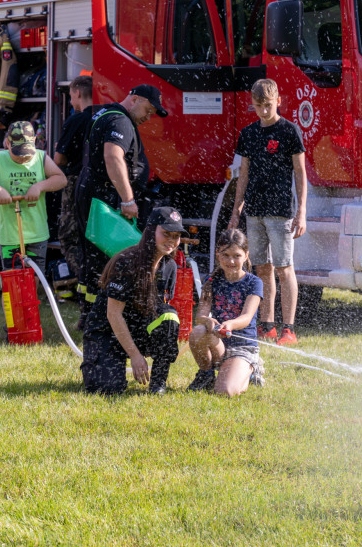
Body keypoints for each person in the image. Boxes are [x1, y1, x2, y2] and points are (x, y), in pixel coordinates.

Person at [73, 84, 167, 323]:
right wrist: (128, 199)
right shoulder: (120, 121)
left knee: (93, 255)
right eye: (148, 108)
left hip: (93, 191)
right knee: (107, 258)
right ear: (134, 99)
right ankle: (100, 317)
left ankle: (90, 314)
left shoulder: (104, 113)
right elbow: (113, 156)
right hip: (105, 197)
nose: (149, 115)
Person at [228, 78, 306, 348]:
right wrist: (236, 211)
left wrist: (302, 212)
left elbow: (300, 174)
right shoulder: (249, 133)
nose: (263, 111)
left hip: (281, 212)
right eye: (259, 106)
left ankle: (289, 328)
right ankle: (268, 326)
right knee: (262, 269)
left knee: (284, 269)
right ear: (253, 104)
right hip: (255, 211)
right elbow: (243, 175)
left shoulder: (289, 131)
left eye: (268, 105)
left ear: (279, 101)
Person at [82, 207, 184, 395]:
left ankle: (158, 385)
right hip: (107, 331)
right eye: (166, 234)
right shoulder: (126, 262)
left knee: (169, 317)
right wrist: (136, 356)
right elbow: (113, 314)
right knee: (107, 389)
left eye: (176, 236)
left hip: (138, 328)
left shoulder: (169, 266)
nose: (171, 241)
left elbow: (159, 310)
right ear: (151, 231)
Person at [0, 121, 66, 275]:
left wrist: (39, 187)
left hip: (37, 233)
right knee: (13, 283)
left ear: (34, 141)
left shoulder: (41, 158)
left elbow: (61, 179)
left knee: (33, 280)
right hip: (10, 235)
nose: (22, 158)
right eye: (18, 152)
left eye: (26, 152)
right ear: (7, 143)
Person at [187, 228, 263, 396]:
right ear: (217, 254)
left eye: (237, 255)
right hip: (219, 346)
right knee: (198, 332)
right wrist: (208, 322)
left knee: (225, 391)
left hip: (242, 348)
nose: (231, 261)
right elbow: (200, 316)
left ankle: (251, 370)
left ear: (246, 255)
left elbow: (246, 317)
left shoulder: (254, 282)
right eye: (226, 255)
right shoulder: (212, 281)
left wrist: (229, 324)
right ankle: (206, 374)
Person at [53, 75, 93, 291]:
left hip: (75, 182)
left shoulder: (76, 120)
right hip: (97, 184)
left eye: (70, 97)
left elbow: (59, 159)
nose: (70, 102)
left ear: (77, 93)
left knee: (69, 236)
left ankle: (84, 283)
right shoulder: (103, 116)